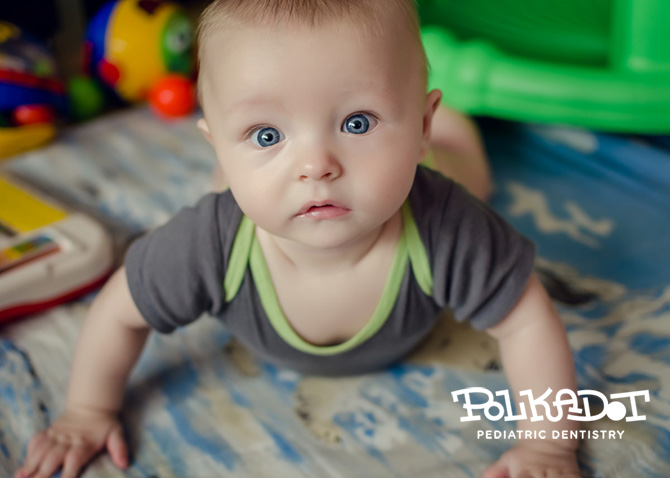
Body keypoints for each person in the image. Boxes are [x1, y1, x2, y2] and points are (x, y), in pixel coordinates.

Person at [15, 1, 580, 477]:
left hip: (429, 169)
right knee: (247, 193)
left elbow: (527, 316)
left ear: (420, 123)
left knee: (464, 170)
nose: (317, 165)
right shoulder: (208, 243)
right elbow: (120, 311)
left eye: (357, 122)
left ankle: (448, 126)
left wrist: (548, 443)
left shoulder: (448, 225)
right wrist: (86, 410)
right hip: (253, 197)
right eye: (266, 133)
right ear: (213, 141)